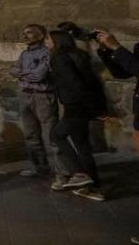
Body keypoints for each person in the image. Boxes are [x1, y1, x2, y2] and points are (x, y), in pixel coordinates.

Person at [46, 30, 107, 202]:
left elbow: (73, 82)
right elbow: (92, 81)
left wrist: (72, 103)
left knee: (57, 135)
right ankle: (94, 187)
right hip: (86, 105)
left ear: (57, 41)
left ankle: (79, 173)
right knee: (82, 145)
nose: (47, 42)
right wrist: (96, 108)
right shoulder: (79, 54)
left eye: (49, 39)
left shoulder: (59, 58)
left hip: (75, 106)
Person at [10, 24, 64, 183]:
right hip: (25, 95)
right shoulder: (24, 54)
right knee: (30, 134)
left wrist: (21, 73)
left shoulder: (47, 53)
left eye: (29, 33)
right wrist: (25, 73)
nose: (25, 36)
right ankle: (40, 168)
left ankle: (61, 171)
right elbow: (12, 70)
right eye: (24, 33)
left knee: (52, 134)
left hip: (43, 96)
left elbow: (40, 75)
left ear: (40, 36)